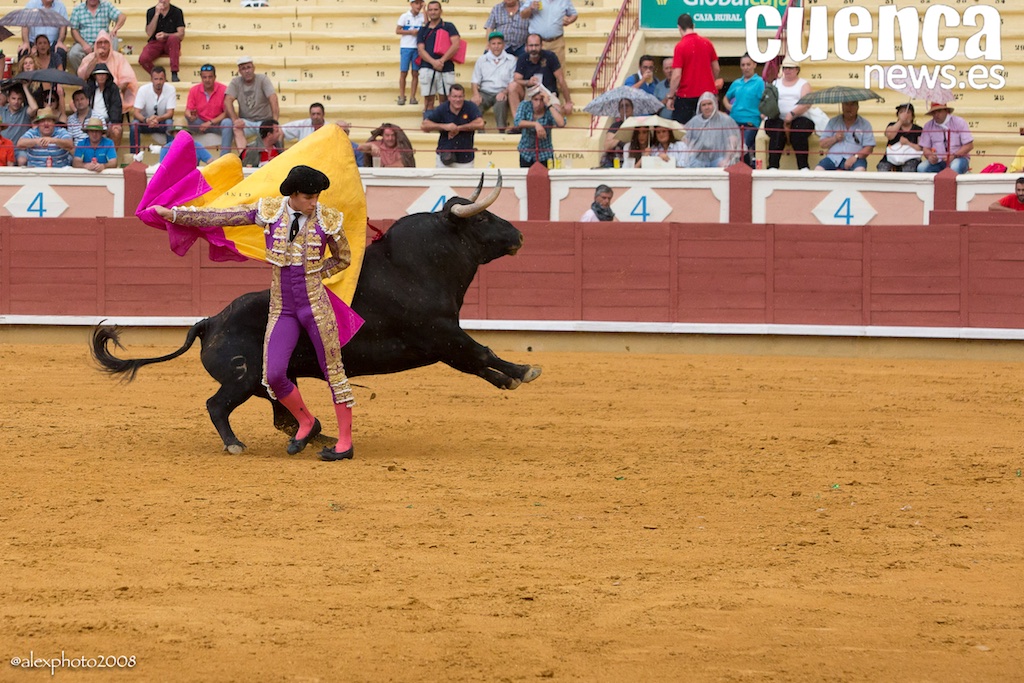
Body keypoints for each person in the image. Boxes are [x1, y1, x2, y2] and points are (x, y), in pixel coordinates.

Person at [150, 165, 361, 462]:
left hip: (315, 306)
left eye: (317, 197)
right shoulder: (270, 211)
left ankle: (345, 442)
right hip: (283, 308)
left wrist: (316, 273)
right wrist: (174, 215)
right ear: (293, 194)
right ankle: (306, 421)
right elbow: (222, 216)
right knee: (273, 375)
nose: (314, 203)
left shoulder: (328, 218)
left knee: (334, 372)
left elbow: (343, 258)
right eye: (308, 197)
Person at [666, 13, 719, 125]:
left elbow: (676, 75)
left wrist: (670, 96)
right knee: (709, 127)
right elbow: (716, 68)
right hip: (707, 94)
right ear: (693, 25)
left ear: (679, 27)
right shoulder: (707, 43)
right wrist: (709, 82)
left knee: (681, 129)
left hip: (686, 95)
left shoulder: (680, 46)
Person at [764, 57, 813, 170]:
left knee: (799, 131)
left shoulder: (804, 84)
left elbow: (806, 103)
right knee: (776, 130)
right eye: (785, 68)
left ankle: (803, 166)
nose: (787, 70)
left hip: (799, 117)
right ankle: (773, 166)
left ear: (797, 69)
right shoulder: (776, 83)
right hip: (777, 117)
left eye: (790, 68)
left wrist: (792, 114)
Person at [224, 56, 280, 155]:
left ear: (253, 68)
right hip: (246, 122)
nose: (247, 71)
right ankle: (245, 157)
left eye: (249, 67)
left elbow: (273, 98)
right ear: (239, 71)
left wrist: (274, 121)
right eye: (243, 68)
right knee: (236, 128)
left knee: (277, 131)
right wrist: (235, 120)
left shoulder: (263, 79)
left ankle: (276, 156)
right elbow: (227, 100)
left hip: (264, 121)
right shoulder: (235, 82)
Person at [421, 83, 483, 169]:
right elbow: (424, 125)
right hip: (444, 159)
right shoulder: (442, 108)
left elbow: (480, 123)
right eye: (454, 96)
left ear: (464, 97)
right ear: (449, 97)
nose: (458, 99)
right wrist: (445, 127)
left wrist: (458, 128)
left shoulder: (470, 107)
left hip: (465, 159)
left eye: (460, 96)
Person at [510, 34, 574, 117]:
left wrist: (568, 102)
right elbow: (517, 79)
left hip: (548, 93)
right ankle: (518, 120)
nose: (533, 49)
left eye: (536, 45)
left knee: (558, 112)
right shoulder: (522, 58)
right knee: (512, 86)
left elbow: (561, 79)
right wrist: (528, 82)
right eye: (531, 46)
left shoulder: (550, 56)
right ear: (526, 46)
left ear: (541, 45)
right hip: (530, 93)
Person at [77, 30, 139, 115]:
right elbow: (83, 76)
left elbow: (126, 79)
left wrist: (114, 91)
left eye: (105, 42)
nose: (103, 45)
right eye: (100, 43)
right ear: (96, 44)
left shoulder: (118, 57)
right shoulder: (89, 58)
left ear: (110, 44)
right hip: (92, 92)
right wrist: (95, 58)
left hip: (113, 92)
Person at [416, 0, 460, 111]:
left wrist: (442, 61)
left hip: (446, 67)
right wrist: (434, 62)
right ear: (427, 12)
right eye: (430, 10)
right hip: (427, 67)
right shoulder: (423, 29)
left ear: (441, 11)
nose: (433, 12)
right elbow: (421, 50)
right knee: (428, 101)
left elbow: (456, 45)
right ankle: (428, 120)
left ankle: (444, 123)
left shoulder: (449, 26)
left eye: (436, 9)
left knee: (446, 101)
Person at [723, 53, 764, 168]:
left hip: (751, 122)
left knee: (742, 147)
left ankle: (745, 168)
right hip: (734, 121)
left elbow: (765, 100)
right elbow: (726, 98)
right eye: (743, 65)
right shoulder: (737, 82)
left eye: (748, 64)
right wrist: (729, 106)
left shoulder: (760, 82)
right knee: (731, 147)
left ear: (754, 65)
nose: (746, 67)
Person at [471, 32, 517, 133]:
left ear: (503, 45)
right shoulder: (481, 60)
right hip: (485, 92)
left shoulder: (511, 60)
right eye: (493, 43)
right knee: (474, 104)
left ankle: (501, 132)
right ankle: (480, 133)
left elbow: (512, 81)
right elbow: (475, 81)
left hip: (502, 91)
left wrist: (504, 92)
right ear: (489, 45)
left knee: (501, 103)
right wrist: (476, 94)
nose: (496, 46)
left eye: (499, 43)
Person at [681, 92, 741, 169]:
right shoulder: (695, 121)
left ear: (715, 104)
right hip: (699, 157)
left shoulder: (725, 120)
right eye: (704, 105)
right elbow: (685, 138)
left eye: (709, 104)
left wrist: (726, 159)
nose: (707, 107)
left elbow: (733, 141)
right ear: (700, 107)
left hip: (720, 157)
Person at [68, 0, 125, 75]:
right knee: (73, 54)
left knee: (113, 39)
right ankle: (85, 76)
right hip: (85, 42)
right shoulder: (78, 9)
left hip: (103, 42)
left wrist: (115, 29)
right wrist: (84, 44)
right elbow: (74, 30)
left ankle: (109, 74)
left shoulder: (106, 6)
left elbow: (122, 16)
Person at [513, 84, 565, 167]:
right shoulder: (524, 105)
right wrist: (535, 124)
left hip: (545, 154)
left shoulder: (549, 109)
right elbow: (517, 122)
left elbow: (561, 123)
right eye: (536, 99)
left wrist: (548, 104)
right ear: (531, 99)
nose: (539, 103)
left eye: (541, 100)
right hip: (526, 153)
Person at [815, 101, 875, 172]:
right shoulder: (833, 121)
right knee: (818, 170)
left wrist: (855, 157)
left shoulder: (865, 124)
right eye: (846, 104)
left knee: (860, 171)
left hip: (856, 159)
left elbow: (869, 148)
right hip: (833, 158)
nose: (849, 108)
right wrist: (835, 138)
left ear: (857, 107)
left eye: (852, 105)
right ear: (842, 106)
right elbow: (822, 144)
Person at [184, 63, 231, 152]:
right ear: (201, 78)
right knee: (187, 119)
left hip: (216, 124)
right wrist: (189, 115)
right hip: (200, 124)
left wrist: (210, 123)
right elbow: (188, 110)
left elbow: (226, 113)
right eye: (204, 77)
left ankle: (225, 156)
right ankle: (189, 152)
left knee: (228, 122)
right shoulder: (194, 90)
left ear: (215, 77)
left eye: (210, 77)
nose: (207, 80)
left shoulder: (224, 89)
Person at [130, 65, 176, 154]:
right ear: (151, 79)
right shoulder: (143, 90)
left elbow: (170, 113)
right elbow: (136, 112)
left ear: (165, 79)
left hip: (161, 122)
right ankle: (134, 156)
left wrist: (158, 119)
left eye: (161, 79)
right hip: (145, 122)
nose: (158, 82)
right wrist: (146, 120)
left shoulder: (171, 89)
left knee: (169, 123)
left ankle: (170, 155)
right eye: (156, 79)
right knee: (134, 125)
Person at [918, 102, 973, 175]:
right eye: (934, 112)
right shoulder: (928, 126)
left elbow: (969, 145)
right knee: (921, 168)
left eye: (939, 111)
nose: (936, 114)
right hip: (938, 161)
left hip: (958, 158)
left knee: (955, 167)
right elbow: (925, 148)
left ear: (946, 111)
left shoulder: (959, 122)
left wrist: (954, 155)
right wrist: (930, 156)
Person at [518, 0, 576, 68]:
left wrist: (569, 20)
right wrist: (530, 8)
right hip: (537, 44)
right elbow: (522, 15)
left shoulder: (564, 1)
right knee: (536, 69)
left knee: (558, 69)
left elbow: (574, 14)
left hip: (557, 43)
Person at [139, 0, 186, 82]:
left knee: (173, 38)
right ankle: (159, 77)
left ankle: (174, 73)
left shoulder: (177, 11)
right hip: (155, 42)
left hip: (170, 43)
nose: (163, 1)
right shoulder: (151, 11)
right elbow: (149, 33)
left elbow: (181, 34)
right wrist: (156, 14)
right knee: (143, 59)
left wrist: (166, 35)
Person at [18, 0, 69, 65]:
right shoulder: (31, 4)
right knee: (23, 52)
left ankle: (59, 72)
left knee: (61, 52)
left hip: (52, 43)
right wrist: (26, 42)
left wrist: (60, 41)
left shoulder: (60, 6)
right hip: (33, 43)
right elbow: (25, 24)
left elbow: (63, 26)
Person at [82, 63, 123, 142]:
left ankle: (112, 150)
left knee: (117, 130)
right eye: (99, 74)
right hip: (91, 119)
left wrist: (114, 122)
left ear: (107, 76)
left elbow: (116, 106)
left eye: (103, 74)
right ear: (95, 76)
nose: (101, 76)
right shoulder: (88, 87)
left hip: (108, 120)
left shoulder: (113, 88)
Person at [876, 103, 923, 173]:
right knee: (882, 169)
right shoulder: (892, 125)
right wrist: (900, 121)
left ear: (912, 116)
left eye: (908, 112)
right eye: (901, 112)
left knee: (909, 169)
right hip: (891, 157)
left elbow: (920, 148)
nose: (905, 114)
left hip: (910, 158)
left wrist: (908, 143)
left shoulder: (918, 129)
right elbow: (889, 136)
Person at [396, 0, 424, 106]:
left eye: (420, 3)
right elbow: (398, 30)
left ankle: (413, 97)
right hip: (406, 47)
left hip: (417, 48)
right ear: (411, 4)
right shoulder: (404, 16)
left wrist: (425, 10)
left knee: (415, 73)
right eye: (416, 3)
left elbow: (427, 24)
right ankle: (402, 96)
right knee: (403, 72)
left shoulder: (422, 16)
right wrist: (410, 32)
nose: (418, 5)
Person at [599, 98, 632, 168]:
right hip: (614, 161)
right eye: (622, 106)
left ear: (632, 109)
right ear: (619, 111)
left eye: (627, 105)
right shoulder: (615, 126)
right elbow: (607, 146)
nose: (625, 108)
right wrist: (621, 135)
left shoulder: (636, 125)